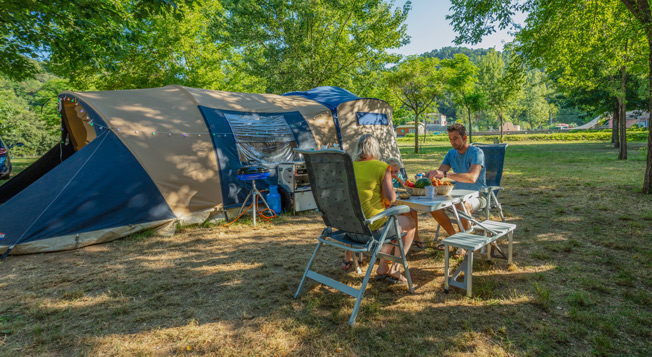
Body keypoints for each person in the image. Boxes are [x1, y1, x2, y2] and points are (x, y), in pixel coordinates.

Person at [342, 134, 416, 284]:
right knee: (409, 224)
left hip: (349, 230)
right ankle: (395, 268)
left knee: (391, 224)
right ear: (375, 149)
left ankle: (383, 267)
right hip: (370, 231)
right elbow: (391, 198)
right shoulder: (381, 167)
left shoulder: (349, 167)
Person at [426, 123, 486, 254]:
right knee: (433, 206)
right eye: (450, 139)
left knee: (461, 205)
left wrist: (446, 174)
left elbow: (472, 178)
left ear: (464, 138)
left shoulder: (477, 153)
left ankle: (464, 242)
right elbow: (441, 173)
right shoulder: (451, 153)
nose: (452, 142)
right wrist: (431, 175)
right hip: (457, 195)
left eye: (455, 138)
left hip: (478, 196)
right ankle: (455, 238)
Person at [385, 157, 424, 249]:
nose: (394, 174)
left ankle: (416, 236)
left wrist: (400, 180)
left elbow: (407, 188)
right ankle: (402, 239)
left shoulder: (399, 177)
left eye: (396, 171)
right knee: (406, 213)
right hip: (391, 205)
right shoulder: (385, 178)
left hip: (400, 202)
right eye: (391, 172)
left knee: (413, 212)